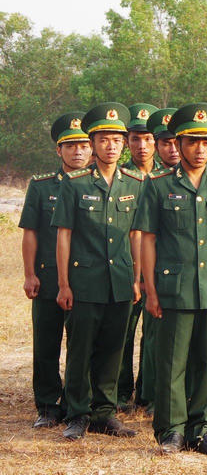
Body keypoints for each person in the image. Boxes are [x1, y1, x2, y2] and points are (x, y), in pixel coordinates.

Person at [136, 103, 207, 455]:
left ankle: (202, 430)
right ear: (178, 144)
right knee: (172, 363)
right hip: (175, 288)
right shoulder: (157, 186)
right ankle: (171, 431)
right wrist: (150, 290)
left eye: (206, 142)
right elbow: (148, 239)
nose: (200, 148)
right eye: (192, 142)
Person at [55, 102, 145, 440]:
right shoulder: (75, 184)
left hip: (120, 281)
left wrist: (136, 278)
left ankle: (105, 413)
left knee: (113, 348)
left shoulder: (134, 183)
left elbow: (136, 235)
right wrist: (64, 283)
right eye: (103, 139)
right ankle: (77, 413)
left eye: (117, 140)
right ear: (92, 143)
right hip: (84, 281)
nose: (111, 145)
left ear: (123, 145)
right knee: (80, 348)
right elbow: (64, 236)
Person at [20, 112, 91, 428]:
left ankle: (80, 405)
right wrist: (29, 273)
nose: (78, 151)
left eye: (83, 145)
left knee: (84, 346)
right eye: (70, 145)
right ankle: (48, 406)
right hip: (48, 278)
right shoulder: (41, 186)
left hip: (88, 279)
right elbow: (31, 233)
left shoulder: (99, 185)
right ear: (58, 150)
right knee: (46, 344)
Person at [117, 102, 160, 413]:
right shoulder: (117, 177)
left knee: (156, 336)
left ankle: (149, 393)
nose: (142, 145)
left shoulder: (167, 177)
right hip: (123, 269)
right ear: (126, 142)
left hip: (159, 271)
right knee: (122, 334)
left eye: (147, 139)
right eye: (135, 139)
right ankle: (119, 394)